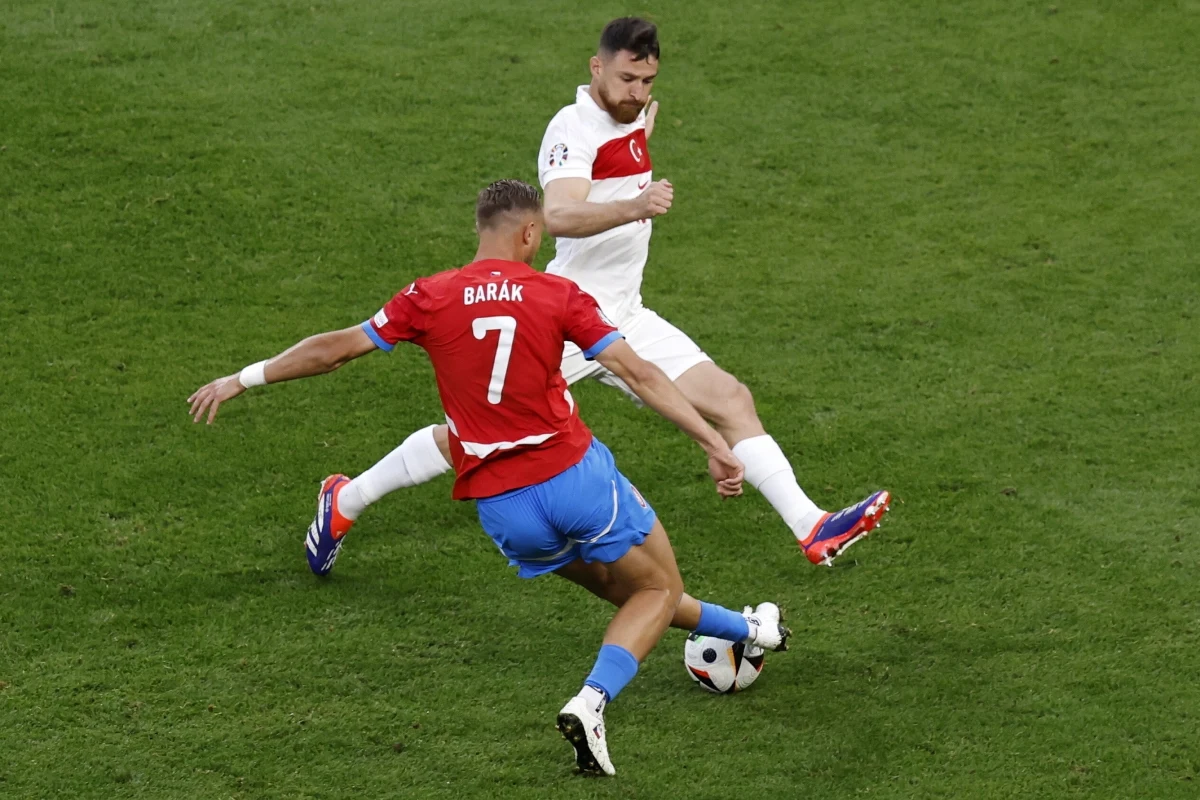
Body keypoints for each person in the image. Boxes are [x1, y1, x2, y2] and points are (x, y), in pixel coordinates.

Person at [187, 180, 791, 776]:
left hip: (504, 509)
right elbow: (642, 375)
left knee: (630, 594)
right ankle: (592, 702)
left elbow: (337, 350)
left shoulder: (429, 295)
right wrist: (713, 441)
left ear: (480, 230)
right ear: (531, 232)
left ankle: (751, 629)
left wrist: (242, 378)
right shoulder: (558, 293)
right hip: (575, 479)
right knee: (656, 590)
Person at [314, 17, 890, 576]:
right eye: (625, 81)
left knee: (732, 399)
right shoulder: (573, 127)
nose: (636, 94)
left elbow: (615, 165)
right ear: (596, 67)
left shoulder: (627, 120)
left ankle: (812, 527)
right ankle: (345, 501)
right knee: (470, 435)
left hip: (626, 311)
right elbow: (559, 214)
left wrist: (637, 140)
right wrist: (637, 205)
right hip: (567, 316)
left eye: (647, 83)